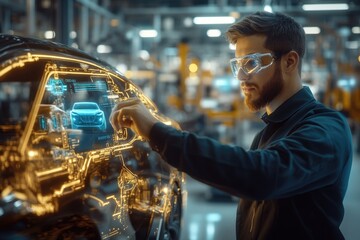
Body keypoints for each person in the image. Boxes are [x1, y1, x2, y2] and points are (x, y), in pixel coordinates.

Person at [110, 11, 353, 240]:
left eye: (252, 63)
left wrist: (157, 132)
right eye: (238, 64)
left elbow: (261, 175)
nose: (241, 77)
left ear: (289, 62)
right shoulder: (268, 133)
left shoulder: (327, 128)